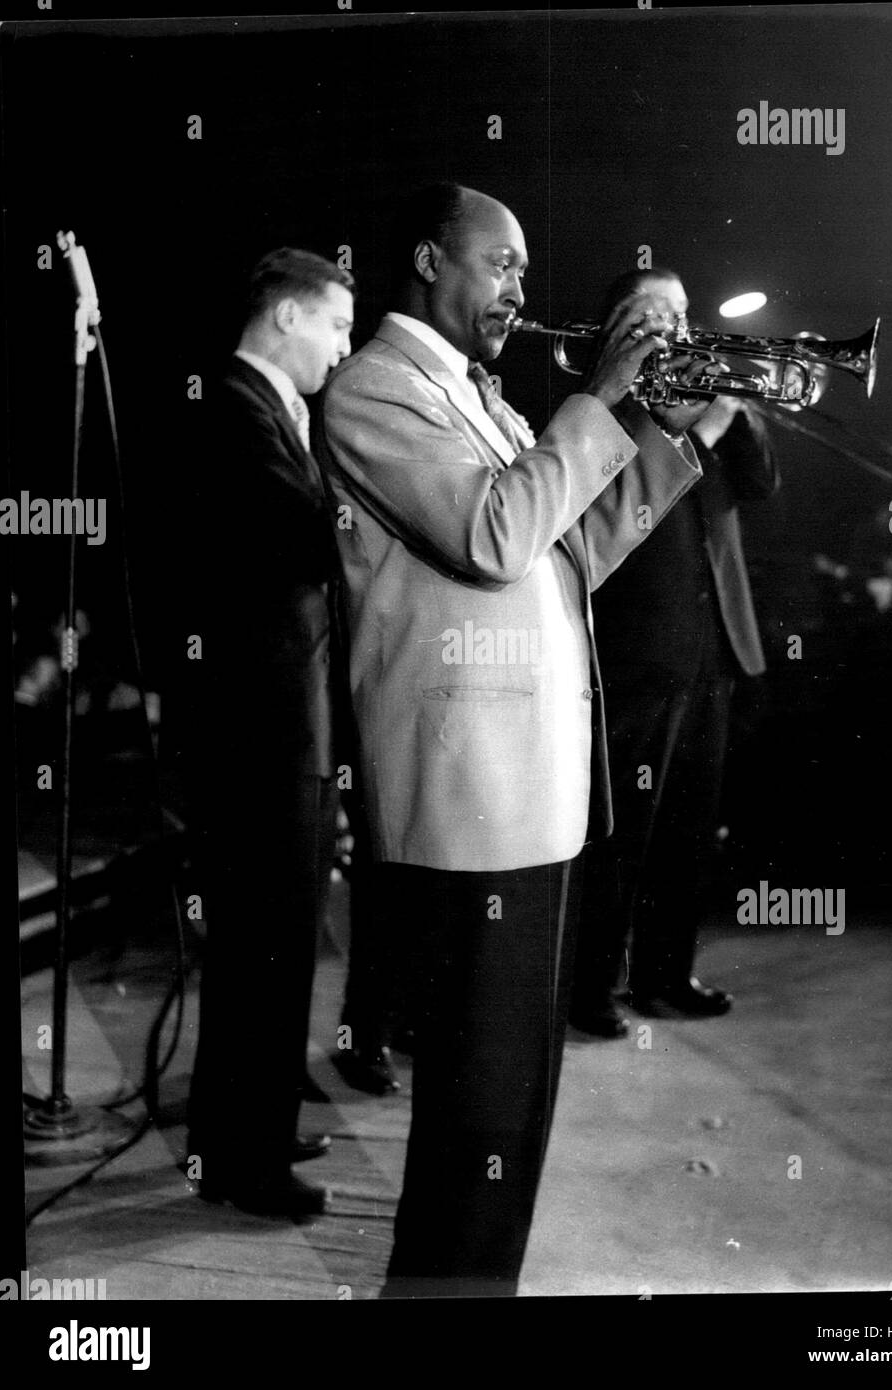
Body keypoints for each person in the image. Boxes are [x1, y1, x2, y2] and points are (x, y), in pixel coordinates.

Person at [313, 183, 712, 1296]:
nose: (520, 291)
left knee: (514, 1111)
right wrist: (599, 397)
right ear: (429, 261)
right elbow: (494, 535)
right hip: (466, 809)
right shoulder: (373, 391)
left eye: (526, 272)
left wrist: (654, 425)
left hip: (530, 799)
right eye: (500, 266)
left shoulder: (471, 394)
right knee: (474, 1114)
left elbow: (566, 549)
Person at [184, 248, 354, 1218]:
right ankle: (245, 1165)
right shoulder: (232, 407)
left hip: (284, 728)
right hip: (258, 737)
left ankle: (248, 1128)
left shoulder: (272, 407)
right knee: (265, 946)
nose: (341, 346)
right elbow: (304, 532)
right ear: (287, 316)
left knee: (277, 941)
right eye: (334, 325)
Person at [569, 268, 778, 1037]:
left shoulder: (702, 395)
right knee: (625, 831)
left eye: (684, 313)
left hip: (713, 641)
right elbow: (633, 513)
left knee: (690, 826)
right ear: (621, 322)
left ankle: (666, 974)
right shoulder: (611, 405)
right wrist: (700, 428)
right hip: (640, 647)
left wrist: (743, 415)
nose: (678, 327)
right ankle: (589, 987)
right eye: (657, 314)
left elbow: (760, 487)